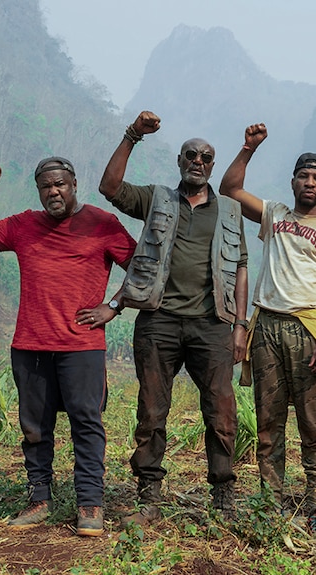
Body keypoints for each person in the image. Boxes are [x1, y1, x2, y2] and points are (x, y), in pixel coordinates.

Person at [0, 157, 136, 537]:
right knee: (35, 428)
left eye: (60, 184)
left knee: (86, 424)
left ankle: (90, 504)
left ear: (74, 183)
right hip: (30, 344)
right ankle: (39, 500)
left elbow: (142, 266)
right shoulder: (26, 224)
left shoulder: (102, 223)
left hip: (82, 346)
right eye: (46, 186)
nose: (53, 192)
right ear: (39, 190)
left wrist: (113, 306)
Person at [97, 111, 249, 525]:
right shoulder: (157, 199)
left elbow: (241, 270)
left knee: (221, 410)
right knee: (151, 409)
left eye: (205, 157)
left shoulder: (231, 212)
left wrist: (240, 326)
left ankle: (223, 495)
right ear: (180, 162)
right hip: (158, 321)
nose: (197, 162)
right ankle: (149, 497)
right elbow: (109, 187)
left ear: (212, 166)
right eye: (190, 155)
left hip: (212, 324)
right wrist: (132, 136)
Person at [218, 122, 316, 536]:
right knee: (268, 422)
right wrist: (248, 148)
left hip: (308, 328)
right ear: (292, 181)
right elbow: (229, 189)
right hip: (267, 328)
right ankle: (270, 502)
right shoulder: (275, 213)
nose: (309, 183)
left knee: (313, 425)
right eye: (303, 176)